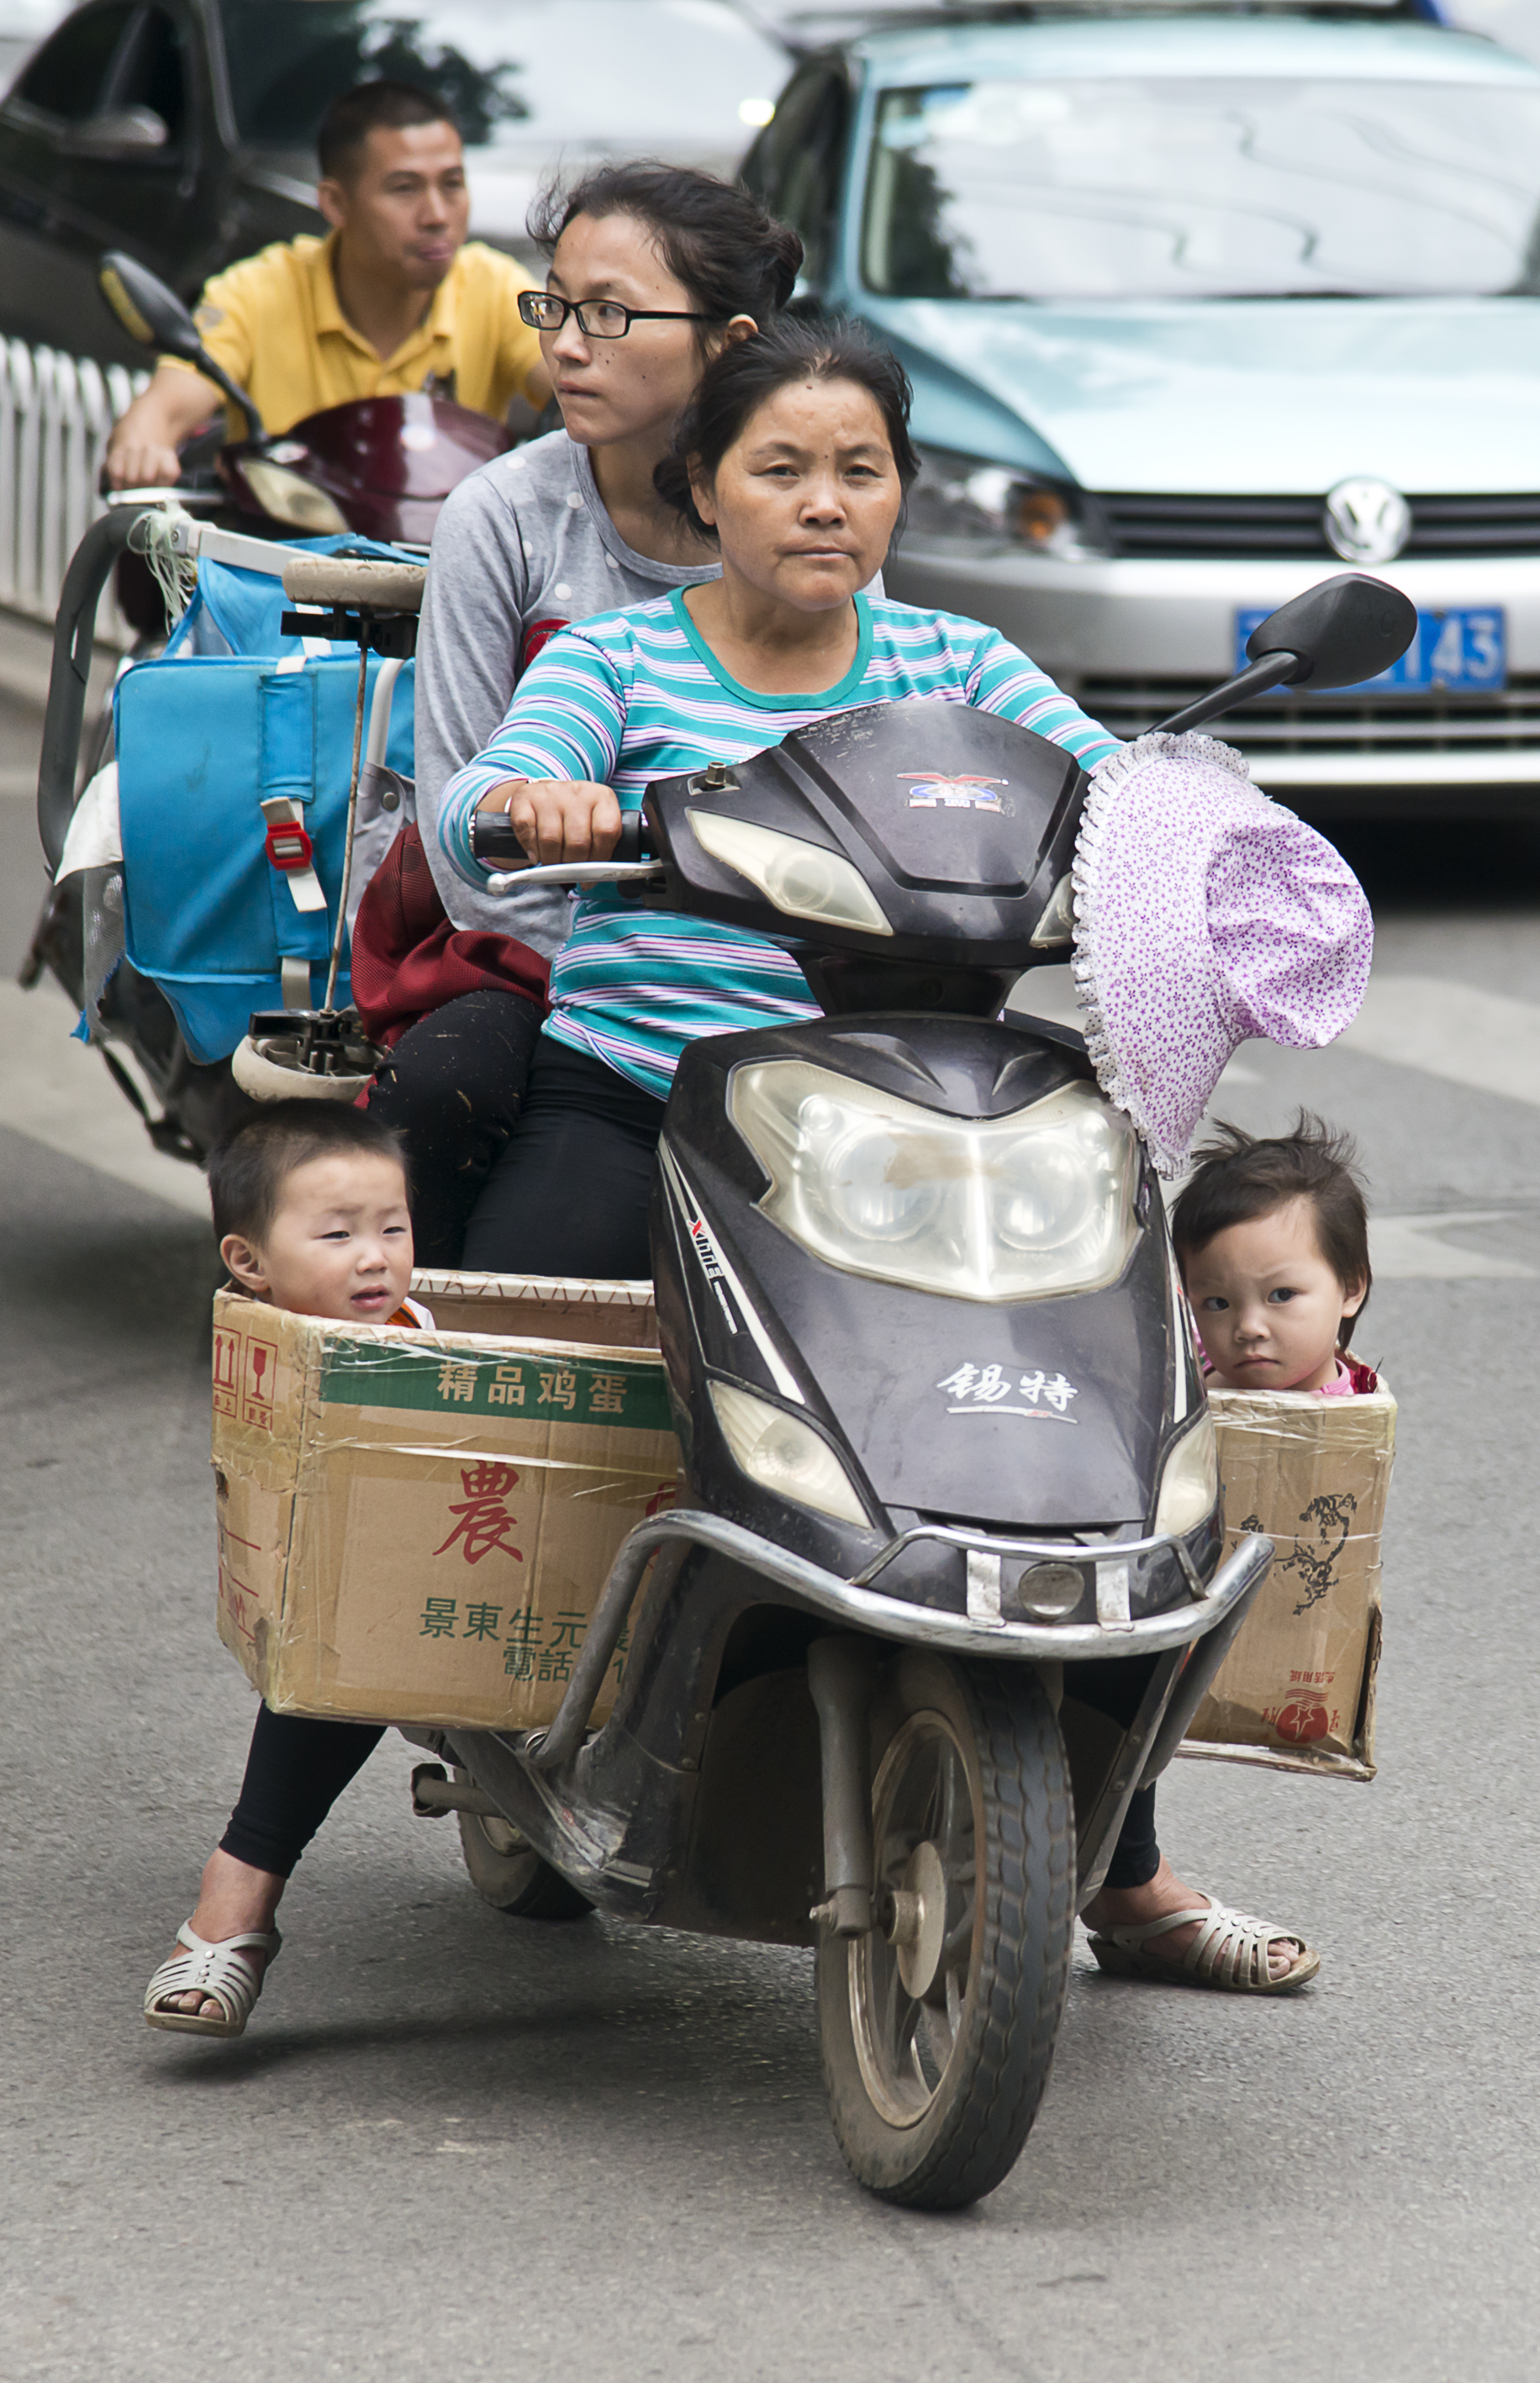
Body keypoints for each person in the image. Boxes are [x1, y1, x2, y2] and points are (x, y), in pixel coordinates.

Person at [446, 319, 1320, 1993]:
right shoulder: (619, 664)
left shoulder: (954, 665)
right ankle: (348, 1807)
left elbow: (1109, 792)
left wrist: (1204, 824)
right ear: (699, 488)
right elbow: (505, 779)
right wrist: (542, 804)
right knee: (487, 1374)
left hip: (928, 1118)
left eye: (859, 470)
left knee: (1076, 1421)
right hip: (645, 1092)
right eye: (779, 468)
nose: (822, 503)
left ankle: (1118, 1868)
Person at [360, 162, 799, 1257]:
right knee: (439, 1093)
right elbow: (463, 832)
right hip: (527, 962)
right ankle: (431, 1344)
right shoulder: (501, 516)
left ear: (731, 342)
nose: (564, 343)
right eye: (554, 303)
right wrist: (634, 981)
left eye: (609, 314)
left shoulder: (812, 523)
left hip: (769, 968)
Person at [145, 1101, 426, 2036]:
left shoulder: (433, 1338)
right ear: (247, 1264)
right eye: (339, 1234)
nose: (375, 1257)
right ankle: (241, 1887)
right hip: (372, 1599)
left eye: (392, 1229)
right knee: (354, 1602)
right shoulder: (265, 1350)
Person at [98, 81, 547, 494]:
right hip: (281, 567)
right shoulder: (256, 292)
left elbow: (571, 377)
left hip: (447, 571)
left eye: (452, 184)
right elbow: (167, 405)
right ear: (334, 203)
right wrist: (143, 441)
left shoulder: (494, 288)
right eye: (405, 188)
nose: (437, 215)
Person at [1174, 1116, 1380, 1400]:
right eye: (1217, 1303)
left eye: (1282, 1295)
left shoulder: (1348, 1428)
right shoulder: (1183, 1379)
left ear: (1351, 1289)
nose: (1248, 1328)